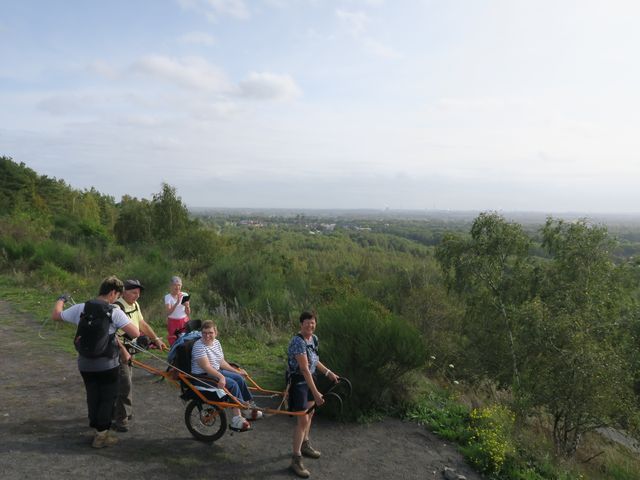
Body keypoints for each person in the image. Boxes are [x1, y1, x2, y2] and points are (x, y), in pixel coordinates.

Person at [51, 276, 140, 449]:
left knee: (92, 394)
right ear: (113, 292)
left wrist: (61, 300)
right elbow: (135, 332)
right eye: (117, 295)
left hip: (84, 363)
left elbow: (56, 315)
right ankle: (101, 435)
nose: (116, 298)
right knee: (107, 397)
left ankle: (96, 426)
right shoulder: (114, 311)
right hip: (107, 364)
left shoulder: (81, 308)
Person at [287, 311, 339, 478]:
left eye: (313, 323)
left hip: (310, 379)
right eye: (307, 323)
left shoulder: (313, 339)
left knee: (311, 414)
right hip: (298, 382)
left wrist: (328, 372)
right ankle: (295, 459)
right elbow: (303, 368)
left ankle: (305, 444)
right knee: (303, 419)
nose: (310, 325)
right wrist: (316, 393)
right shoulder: (298, 341)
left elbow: (314, 362)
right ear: (301, 324)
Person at [112, 279, 167, 432]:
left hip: (132, 348)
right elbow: (111, 333)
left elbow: (142, 324)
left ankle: (120, 413)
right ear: (124, 292)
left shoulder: (135, 305)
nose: (137, 296)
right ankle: (121, 420)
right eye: (133, 292)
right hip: (119, 349)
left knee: (125, 380)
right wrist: (122, 349)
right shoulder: (117, 307)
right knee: (125, 383)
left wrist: (155, 339)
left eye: (139, 293)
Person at [190, 320, 262, 432]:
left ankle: (246, 407)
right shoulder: (198, 346)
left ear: (216, 333)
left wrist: (236, 371)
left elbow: (221, 362)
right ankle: (236, 418)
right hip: (202, 376)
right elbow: (206, 367)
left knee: (238, 378)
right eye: (204, 333)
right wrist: (221, 377)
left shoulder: (217, 343)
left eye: (210, 333)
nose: (207, 336)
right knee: (232, 384)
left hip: (215, 371)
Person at [165, 276, 191, 345]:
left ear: (181, 286)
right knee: (173, 342)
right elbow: (168, 312)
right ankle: (174, 355)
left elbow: (188, 313)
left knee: (185, 341)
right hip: (172, 322)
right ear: (171, 286)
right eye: (175, 285)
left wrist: (187, 306)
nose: (177, 287)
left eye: (179, 285)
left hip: (184, 321)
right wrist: (177, 303)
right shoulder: (168, 297)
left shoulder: (185, 295)